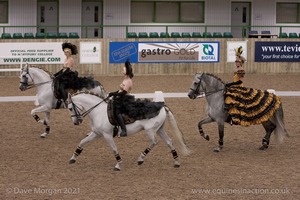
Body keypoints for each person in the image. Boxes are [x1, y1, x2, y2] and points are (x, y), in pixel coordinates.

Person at [108, 59, 134, 137]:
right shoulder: (124, 80)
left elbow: (123, 93)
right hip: (121, 97)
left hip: (124, 99)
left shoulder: (128, 81)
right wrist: (113, 93)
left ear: (127, 71)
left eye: (124, 68)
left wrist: (115, 95)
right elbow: (120, 90)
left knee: (117, 112)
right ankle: (115, 127)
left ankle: (124, 130)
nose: (123, 68)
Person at [224, 46, 246, 125]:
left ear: (240, 62)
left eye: (237, 61)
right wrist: (230, 83)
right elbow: (235, 80)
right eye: (235, 61)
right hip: (235, 86)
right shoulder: (237, 69)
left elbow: (240, 81)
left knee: (230, 98)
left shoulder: (241, 69)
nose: (236, 62)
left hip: (239, 87)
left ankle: (231, 117)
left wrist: (230, 84)